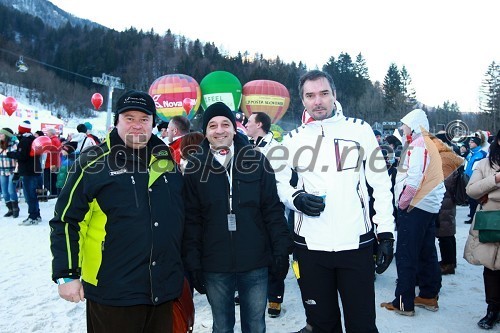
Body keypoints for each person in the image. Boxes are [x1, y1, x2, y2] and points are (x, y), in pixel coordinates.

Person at [50, 90, 185, 333]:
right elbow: (66, 219)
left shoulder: (167, 161)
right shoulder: (94, 161)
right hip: (113, 289)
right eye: (129, 118)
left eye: (144, 119)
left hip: (161, 289)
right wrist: (67, 274)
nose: (137, 125)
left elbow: (178, 218)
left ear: (153, 123)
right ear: (117, 121)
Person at [275, 70, 395, 333]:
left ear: (334, 95)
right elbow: (280, 182)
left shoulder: (359, 130)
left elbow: (381, 184)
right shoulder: (293, 139)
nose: (318, 101)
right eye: (310, 96)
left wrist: (386, 234)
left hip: (355, 245)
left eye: (323, 94)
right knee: (321, 325)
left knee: (362, 325)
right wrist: (296, 199)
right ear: (302, 100)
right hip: (311, 248)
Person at [182, 101, 293, 333]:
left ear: (235, 128)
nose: (219, 130)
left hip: (255, 261)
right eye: (212, 125)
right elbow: (191, 219)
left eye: (225, 124)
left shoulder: (257, 161)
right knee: (222, 327)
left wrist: (281, 249)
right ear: (205, 132)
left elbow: (272, 210)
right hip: (214, 263)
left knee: (255, 325)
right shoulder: (194, 166)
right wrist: (192, 261)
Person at [381, 109, 445, 316]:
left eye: (405, 124)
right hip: (427, 206)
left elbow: (414, 179)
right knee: (427, 251)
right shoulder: (430, 143)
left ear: (414, 125)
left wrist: (402, 203)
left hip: (414, 207)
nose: (401, 128)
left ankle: (403, 302)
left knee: (406, 254)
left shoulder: (418, 145)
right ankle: (428, 294)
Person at [245, 111, 287, 318]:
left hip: (271, 208)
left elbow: (282, 182)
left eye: (248, 121)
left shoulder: (275, 148)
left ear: (259, 124)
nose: (245, 124)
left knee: (275, 254)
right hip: (250, 210)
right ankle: (248, 290)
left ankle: (274, 298)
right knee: (251, 250)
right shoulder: (246, 147)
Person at [464, 130, 500, 330]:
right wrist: (494, 180)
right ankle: (492, 310)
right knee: (491, 268)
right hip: (490, 223)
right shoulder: (485, 164)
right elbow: (471, 189)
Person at [431, 135, 464, 275]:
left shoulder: (444, 159)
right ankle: (450, 261)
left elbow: (446, 182)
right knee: (447, 232)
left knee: (445, 233)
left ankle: (448, 264)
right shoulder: (447, 156)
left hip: (444, 199)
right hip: (446, 199)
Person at [7, 120, 43, 225]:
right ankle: (37, 215)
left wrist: (11, 154)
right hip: (35, 169)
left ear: (21, 129)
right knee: (33, 195)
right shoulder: (33, 139)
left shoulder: (25, 140)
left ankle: (32, 217)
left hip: (28, 171)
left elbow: (22, 155)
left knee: (29, 195)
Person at [464, 136, 487, 224]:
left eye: (472, 142)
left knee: (475, 199)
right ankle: (472, 214)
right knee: (470, 199)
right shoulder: (471, 153)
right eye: (469, 142)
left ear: (477, 143)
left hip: (476, 180)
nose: (469, 143)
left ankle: (474, 217)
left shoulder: (481, 154)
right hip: (468, 179)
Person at [0, 128, 20, 218]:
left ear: (6, 135)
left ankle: (15, 209)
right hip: (2, 171)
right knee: (4, 192)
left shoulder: (14, 145)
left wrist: (17, 171)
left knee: (11, 190)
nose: (0, 135)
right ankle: (10, 209)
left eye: (2, 134)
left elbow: (18, 158)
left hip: (12, 170)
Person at [43, 128, 62, 198]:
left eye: (47, 133)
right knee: (53, 179)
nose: (46, 135)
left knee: (50, 179)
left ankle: (53, 193)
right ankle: (54, 193)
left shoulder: (52, 141)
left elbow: (49, 152)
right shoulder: (57, 140)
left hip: (50, 163)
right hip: (55, 162)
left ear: (51, 133)